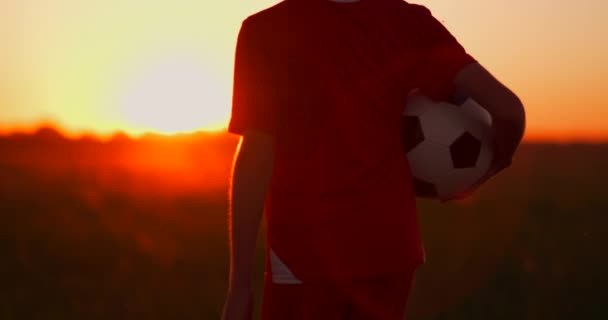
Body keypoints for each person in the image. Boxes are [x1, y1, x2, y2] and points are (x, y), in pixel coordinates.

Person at [222, 0, 526, 319]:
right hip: (391, 255)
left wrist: (239, 287)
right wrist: (491, 167)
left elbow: (256, 157)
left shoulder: (265, 30)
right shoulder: (408, 21)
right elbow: (509, 110)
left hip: (305, 257)